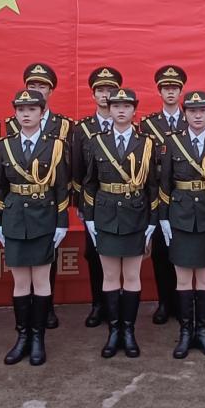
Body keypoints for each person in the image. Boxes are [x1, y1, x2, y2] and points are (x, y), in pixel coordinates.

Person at [0, 89, 69, 366]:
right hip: (14, 218)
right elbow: (0, 187)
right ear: (15, 113)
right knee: (21, 282)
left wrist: (62, 223)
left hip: (43, 218)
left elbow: (61, 187)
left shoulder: (55, 145)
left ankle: (38, 339)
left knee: (41, 280)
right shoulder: (5, 145)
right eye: (21, 110)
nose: (26, 114)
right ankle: (22, 337)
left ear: (42, 112)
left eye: (32, 109)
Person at [83, 88, 159, 359]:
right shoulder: (96, 141)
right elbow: (89, 183)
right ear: (109, 109)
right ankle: (113, 332)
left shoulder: (146, 143)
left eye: (127, 106)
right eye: (116, 106)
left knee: (132, 276)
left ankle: (129, 332)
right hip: (105, 216)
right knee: (110, 276)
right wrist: (90, 218)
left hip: (135, 216)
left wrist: (152, 222)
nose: (121, 111)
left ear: (134, 110)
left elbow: (152, 187)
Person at [158, 90, 205, 358]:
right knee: (183, 279)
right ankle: (185, 333)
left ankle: (203, 332)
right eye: (192, 111)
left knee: (204, 279)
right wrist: (163, 217)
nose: (198, 116)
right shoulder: (172, 142)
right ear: (185, 114)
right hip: (181, 216)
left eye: (202, 111)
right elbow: (165, 183)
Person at [4, 63, 72, 329]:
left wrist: (63, 214)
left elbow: (67, 172)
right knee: (21, 278)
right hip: (17, 211)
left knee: (45, 266)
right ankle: (25, 331)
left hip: (47, 205)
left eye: (42, 86)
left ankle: (46, 313)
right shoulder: (10, 130)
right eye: (32, 85)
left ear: (50, 91)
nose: (37, 90)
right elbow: (4, 177)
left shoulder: (63, 126)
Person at [71, 67, 123, 328]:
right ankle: (98, 304)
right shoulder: (82, 129)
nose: (105, 95)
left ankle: (120, 303)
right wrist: (80, 204)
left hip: (123, 203)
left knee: (121, 254)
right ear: (93, 95)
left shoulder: (127, 127)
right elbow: (77, 170)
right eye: (100, 90)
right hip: (95, 202)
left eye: (110, 90)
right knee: (94, 253)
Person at [138, 65, 186, 325]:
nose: (170, 92)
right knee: (160, 251)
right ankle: (164, 302)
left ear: (181, 91)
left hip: (185, 194)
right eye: (166, 88)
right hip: (157, 194)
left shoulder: (192, 118)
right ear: (159, 91)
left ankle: (181, 302)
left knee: (183, 249)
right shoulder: (147, 125)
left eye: (175, 88)